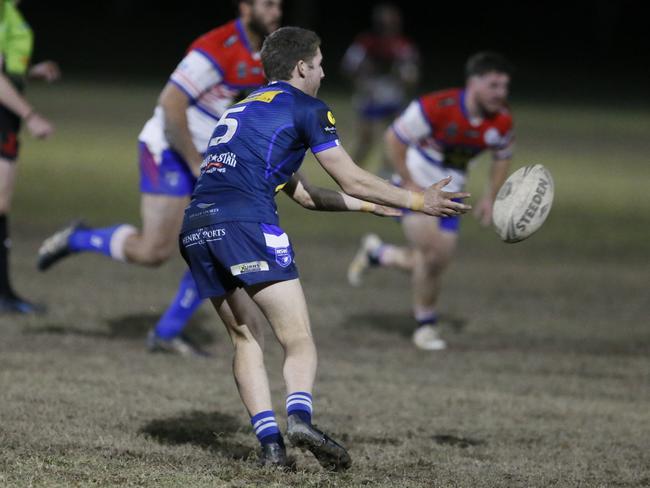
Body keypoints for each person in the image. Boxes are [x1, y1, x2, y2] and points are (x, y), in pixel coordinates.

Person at [178, 26, 470, 468]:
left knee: (245, 337)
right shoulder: (308, 108)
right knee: (297, 338)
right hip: (247, 225)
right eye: (318, 63)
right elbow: (349, 175)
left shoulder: (245, 109)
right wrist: (418, 200)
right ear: (301, 67)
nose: (323, 70)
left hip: (197, 228)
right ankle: (299, 416)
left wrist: (368, 207)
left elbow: (305, 194)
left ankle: (272, 449)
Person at [36, 0, 282, 354]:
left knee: (220, 244)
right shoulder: (216, 47)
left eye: (279, 4)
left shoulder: (268, 53)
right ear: (245, 8)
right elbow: (170, 104)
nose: (276, 11)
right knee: (153, 252)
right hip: (168, 150)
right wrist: (196, 162)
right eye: (268, 4)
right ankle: (79, 239)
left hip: (210, 158)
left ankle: (167, 332)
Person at [347, 51, 515, 351]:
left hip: (451, 193)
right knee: (431, 255)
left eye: (504, 87)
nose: (500, 93)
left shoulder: (502, 121)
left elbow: (502, 157)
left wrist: (492, 196)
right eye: (493, 86)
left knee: (435, 262)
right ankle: (425, 325)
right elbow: (393, 139)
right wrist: (408, 184)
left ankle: (379, 254)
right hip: (414, 187)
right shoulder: (436, 107)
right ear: (473, 83)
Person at [0, 0, 58, 314]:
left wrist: (30, 72)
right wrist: (31, 115)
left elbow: (7, 70)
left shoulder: (11, 12)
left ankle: (4, 292)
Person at [340, 2, 419, 174]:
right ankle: (351, 174)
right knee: (366, 140)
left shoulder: (403, 45)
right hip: (371, 96)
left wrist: (405, 78)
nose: (388, 26)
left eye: (392, 22)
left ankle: (387, 176)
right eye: (384, 22)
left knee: (395, 139)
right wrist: (362, 81)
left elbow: (412, 73)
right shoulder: (366, 42)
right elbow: (349, 66)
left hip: (393, 98)